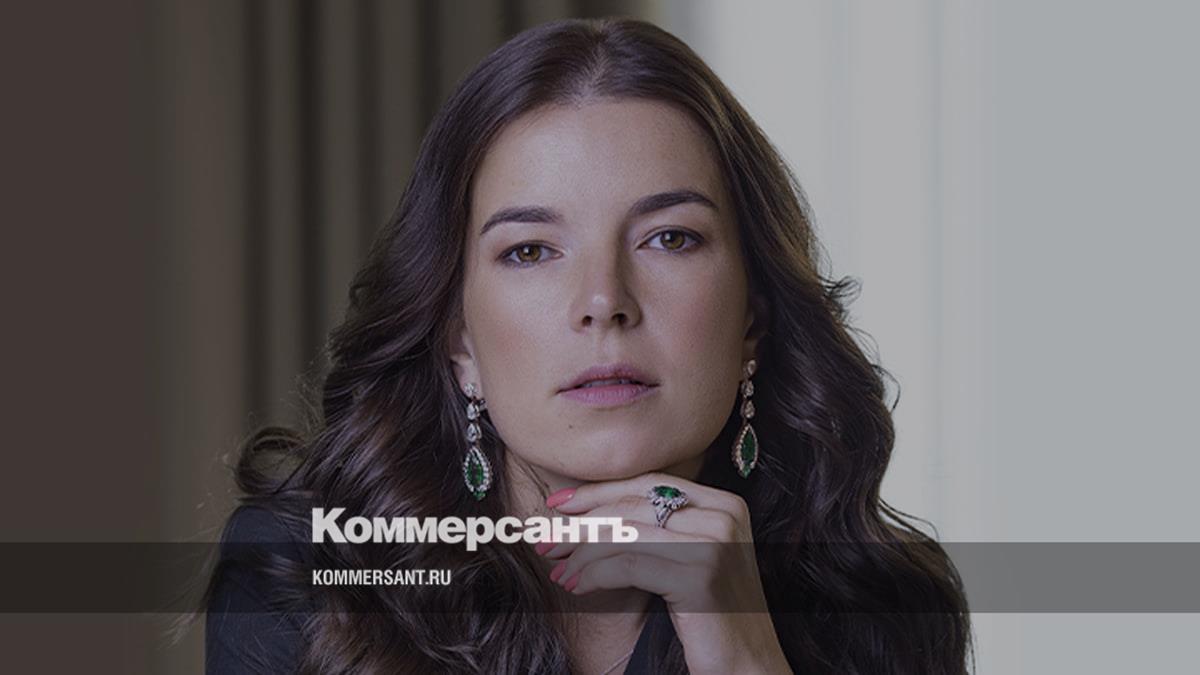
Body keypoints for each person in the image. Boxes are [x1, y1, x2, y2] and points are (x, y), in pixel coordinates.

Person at [203, 16, 973, 674]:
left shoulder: (880, 607)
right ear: (460, 341)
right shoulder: (309, 570)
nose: (605, 301)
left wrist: (745, 655)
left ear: (753, 319)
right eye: (531, 250)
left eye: (669, 238)